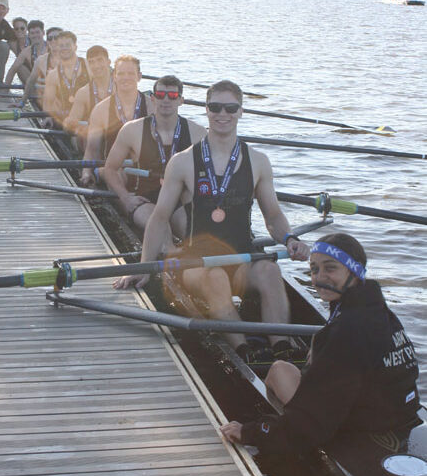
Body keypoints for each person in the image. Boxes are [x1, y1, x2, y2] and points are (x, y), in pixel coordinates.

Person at [114, 80, 309, 362]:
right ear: (206, 110)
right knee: (216, 277)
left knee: (270, 271)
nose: (222, 114)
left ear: (241, 111)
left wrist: (290, 239)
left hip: (241, 256)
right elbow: (159, 218)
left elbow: (274, 216)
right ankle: (245, 352)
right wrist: (145, 267)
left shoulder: (258, 161)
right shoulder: (182, 162)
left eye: (230, 108)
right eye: (215, 107)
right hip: (197, 262)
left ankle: (282, 345)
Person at [220, 232, 420, 455]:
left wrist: (252, 432)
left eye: (330, 268)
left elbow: (312, 423)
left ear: (354, 271)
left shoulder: (346, 331)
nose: (319, 278)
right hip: (400, 412)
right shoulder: (382, 314)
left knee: (278, 371)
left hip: (359, 425)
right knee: (304, 355)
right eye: (314, 269)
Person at [104, 75, 206, 237]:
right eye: (160, 95)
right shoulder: (132, 130)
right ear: (152, 99)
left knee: (193, 233)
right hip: (144, 199)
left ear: (181, 101)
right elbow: (109, 169)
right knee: (161, 234)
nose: (166, 100)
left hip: (179, 201)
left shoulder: (198, 133)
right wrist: (125, 198)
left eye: (172, 96)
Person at [80, 54, 151, 187]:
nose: (125, 78)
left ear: (139, 76)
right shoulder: (101, 110)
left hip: (143, 169)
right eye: (121, 74)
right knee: (119, 175)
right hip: (111, 169)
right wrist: (86, 172)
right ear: (114, 77)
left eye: (131, 73)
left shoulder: (152, 107)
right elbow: (91, 150)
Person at [62, 45, 113, 137]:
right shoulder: (83, 93)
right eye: (91, 62)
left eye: (100, 60)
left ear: (108, 62)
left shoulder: (121, 88)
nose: (96, 66)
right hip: (92, 138)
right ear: (88, 66)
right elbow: (71, 123)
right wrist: (69, 124)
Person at [42, 31, 88, 125]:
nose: (64, 48)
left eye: (68, 45)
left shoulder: (88, 66)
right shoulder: (52, 75)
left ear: (75, 47)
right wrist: (48, 116)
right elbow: (48, 102)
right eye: (61, 45)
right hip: (67, 121)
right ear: (57, 48)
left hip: (89, 119)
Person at [14, 26, 62, 108]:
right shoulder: (41, 60)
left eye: (56, 38)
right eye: (50, 38)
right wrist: (22, 102)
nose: (53, 41)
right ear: (47, 41)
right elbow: (30, 82)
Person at [4, 19, 46, 85]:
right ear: (29, 35)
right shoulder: (26, 51)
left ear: (43, 33)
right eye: (32, 33)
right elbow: (12, 70)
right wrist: (6, 88)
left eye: (37, 32)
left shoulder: (51, 48)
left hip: (51, 82)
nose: (35, 35)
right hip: (35, 81)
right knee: (19, 67)